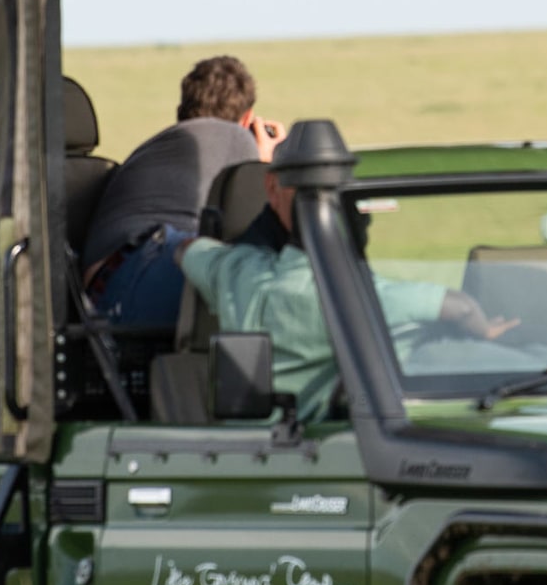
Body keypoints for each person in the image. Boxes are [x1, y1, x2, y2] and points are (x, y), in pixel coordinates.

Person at [177, 167, 517, 420]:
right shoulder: (360, 299)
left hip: (262, 444)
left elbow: (188, 250)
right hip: (324, 442)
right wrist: (485, 330)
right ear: (355, 230)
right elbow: (458, 307)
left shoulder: (241, 272)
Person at [84, 56, 286, 326]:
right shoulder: (235, 137)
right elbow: (263, 210)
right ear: (247, 118)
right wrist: (267, 164)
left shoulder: (155, 150)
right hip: (146, 265)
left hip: (103, 291)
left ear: (183, 110)